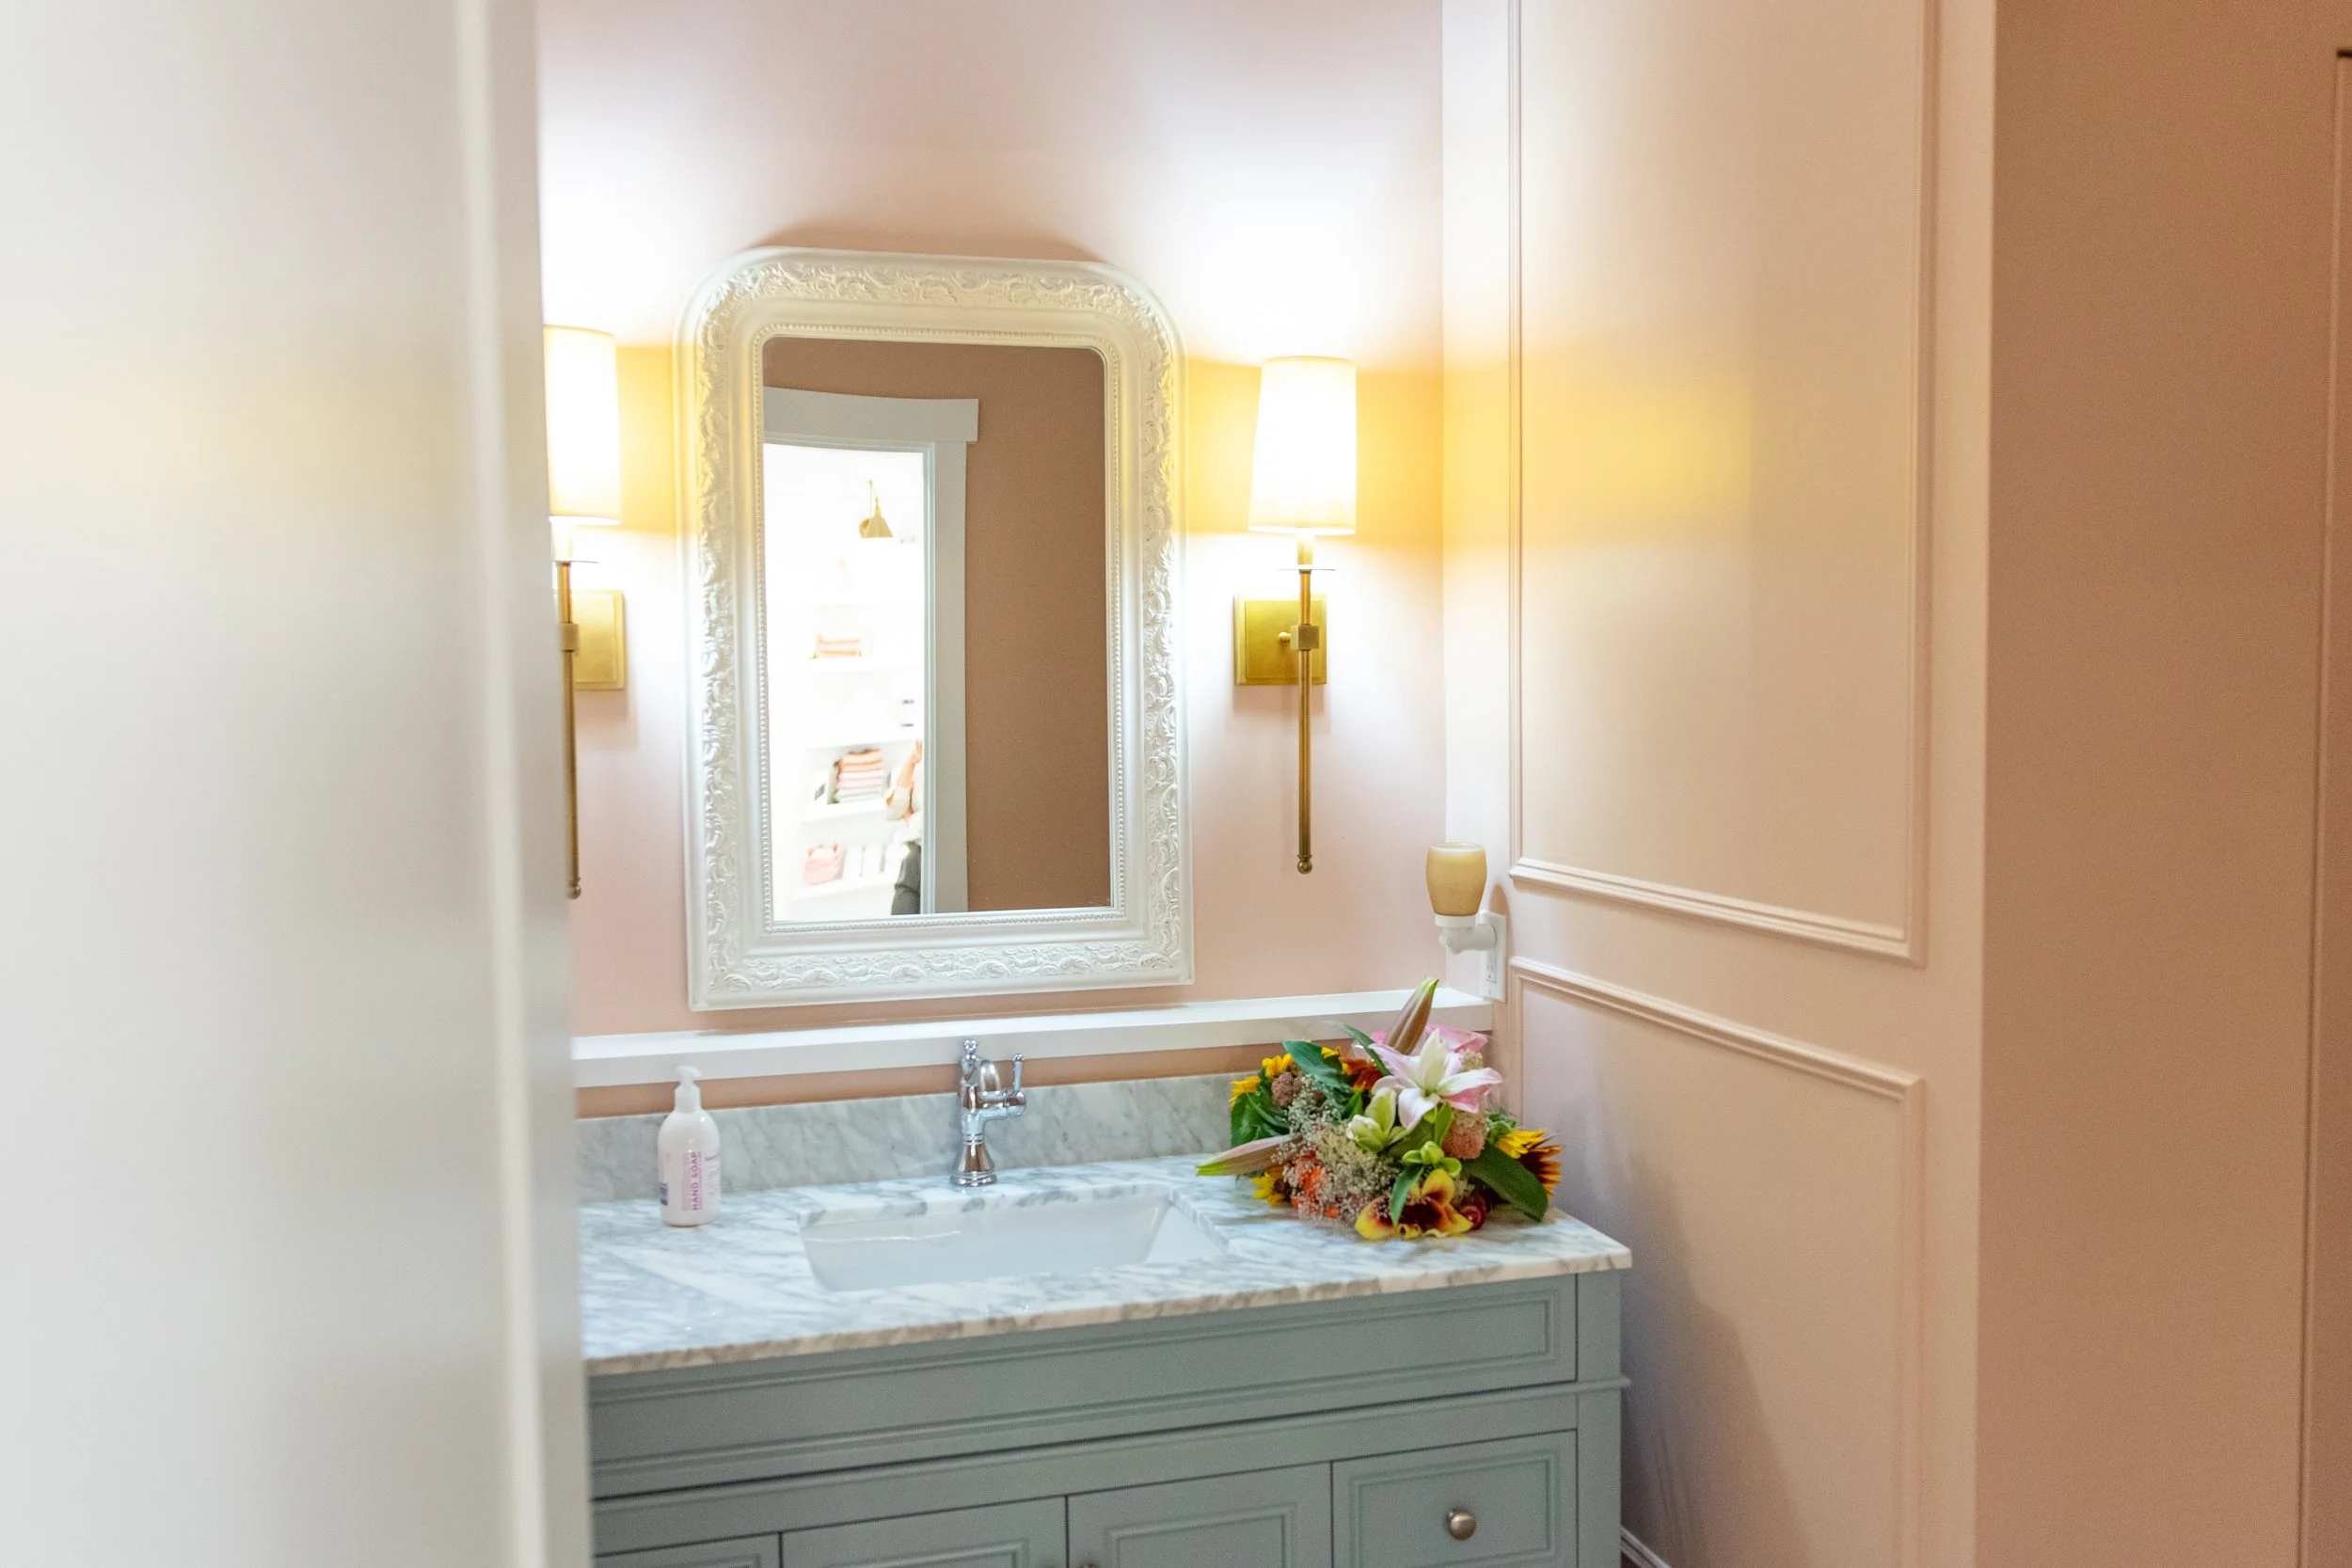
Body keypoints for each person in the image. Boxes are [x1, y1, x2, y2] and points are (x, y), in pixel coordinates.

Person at [884, 740, 923, 915]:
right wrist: (911, 763)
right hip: (915, 853)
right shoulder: (920, 760)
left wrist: (909, 818)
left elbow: (935, 825)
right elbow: (893, 811)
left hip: (929, 852)